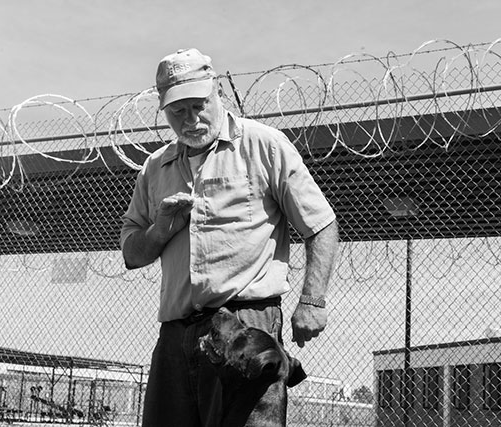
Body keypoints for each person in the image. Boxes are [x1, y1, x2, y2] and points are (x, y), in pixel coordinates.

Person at [120, 48, 338, 427]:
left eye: (199, 104)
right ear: (163, 109)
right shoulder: (155, 169)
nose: (191, 119)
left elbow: (320, 225)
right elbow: (131, 252)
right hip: (176, 336)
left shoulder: (263, 145)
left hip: (244, 327)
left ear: (217, 91)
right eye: (178, 111)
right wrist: (160, 229)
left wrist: (313, 300)